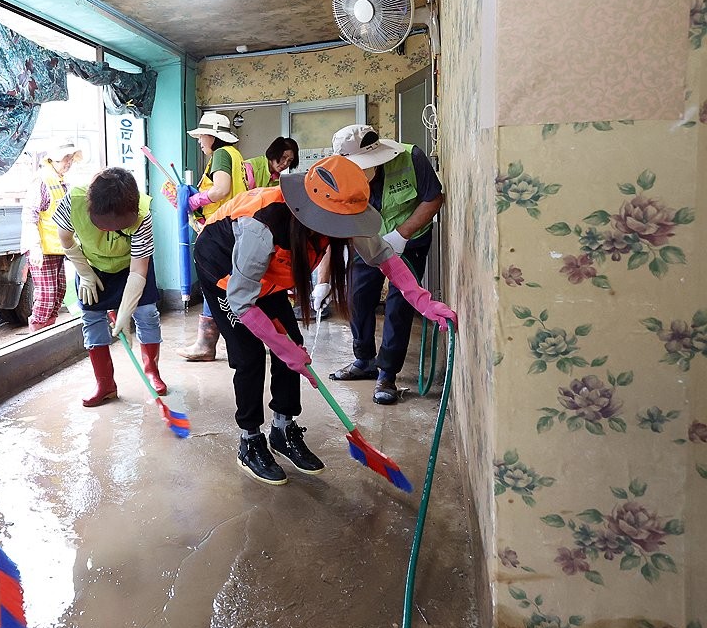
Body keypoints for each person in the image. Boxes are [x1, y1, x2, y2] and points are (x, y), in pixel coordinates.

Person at [193, 155, 456, 485]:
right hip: (225, 271)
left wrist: (424, 302)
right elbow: (242, 303)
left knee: (294, 343)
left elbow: (384, 258)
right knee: (249, 357)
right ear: (316, 212)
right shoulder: (261, 229)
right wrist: (285, 350)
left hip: (266, 274)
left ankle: (282, 429)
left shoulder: (340, 213)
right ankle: (250, 440)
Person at [325, 124, 446, 405]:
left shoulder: (410, 158)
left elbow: (434, 198)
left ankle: (387, 372)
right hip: (368, 241)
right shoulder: (339, 174)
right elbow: (335, 221)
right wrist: (322, 282)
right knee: (357, 297)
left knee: (398, 305)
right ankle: (363, 360)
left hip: (409, 241)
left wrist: (401, 234)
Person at [177, 115, 300, 361]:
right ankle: (219, 341)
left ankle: (210, 344)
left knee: (222, 285)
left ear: (212, 136)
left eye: (202, 136)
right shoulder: (241, 159)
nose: (200, 141)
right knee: (234, 287)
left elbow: (222, 190)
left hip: (226, 233)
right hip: (238, 232)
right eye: (283, 157)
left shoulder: (222, 155)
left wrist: (194, 201)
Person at [54, 167, 166, 406]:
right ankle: (105, 384)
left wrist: (125, 312)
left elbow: (138, 271)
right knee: (92, 317)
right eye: (103, 226)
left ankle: (151, 372)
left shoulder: (142, 212)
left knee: (146, 314)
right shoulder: (73, 201)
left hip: (132, 265)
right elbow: (65, 239)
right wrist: (84, 273)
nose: (110, 231)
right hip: (92, 264)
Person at [21, 140, 82, 331]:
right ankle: (36, 335)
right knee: (46, 295)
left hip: (57, 247)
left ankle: (47, 330)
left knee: (58, 293)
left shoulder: (62, 182)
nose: (68, 162)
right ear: (53, 160)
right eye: (65, 159)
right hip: (42, 248)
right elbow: (30, 216)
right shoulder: (42, 181)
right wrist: (35, 247)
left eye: (71, 159)